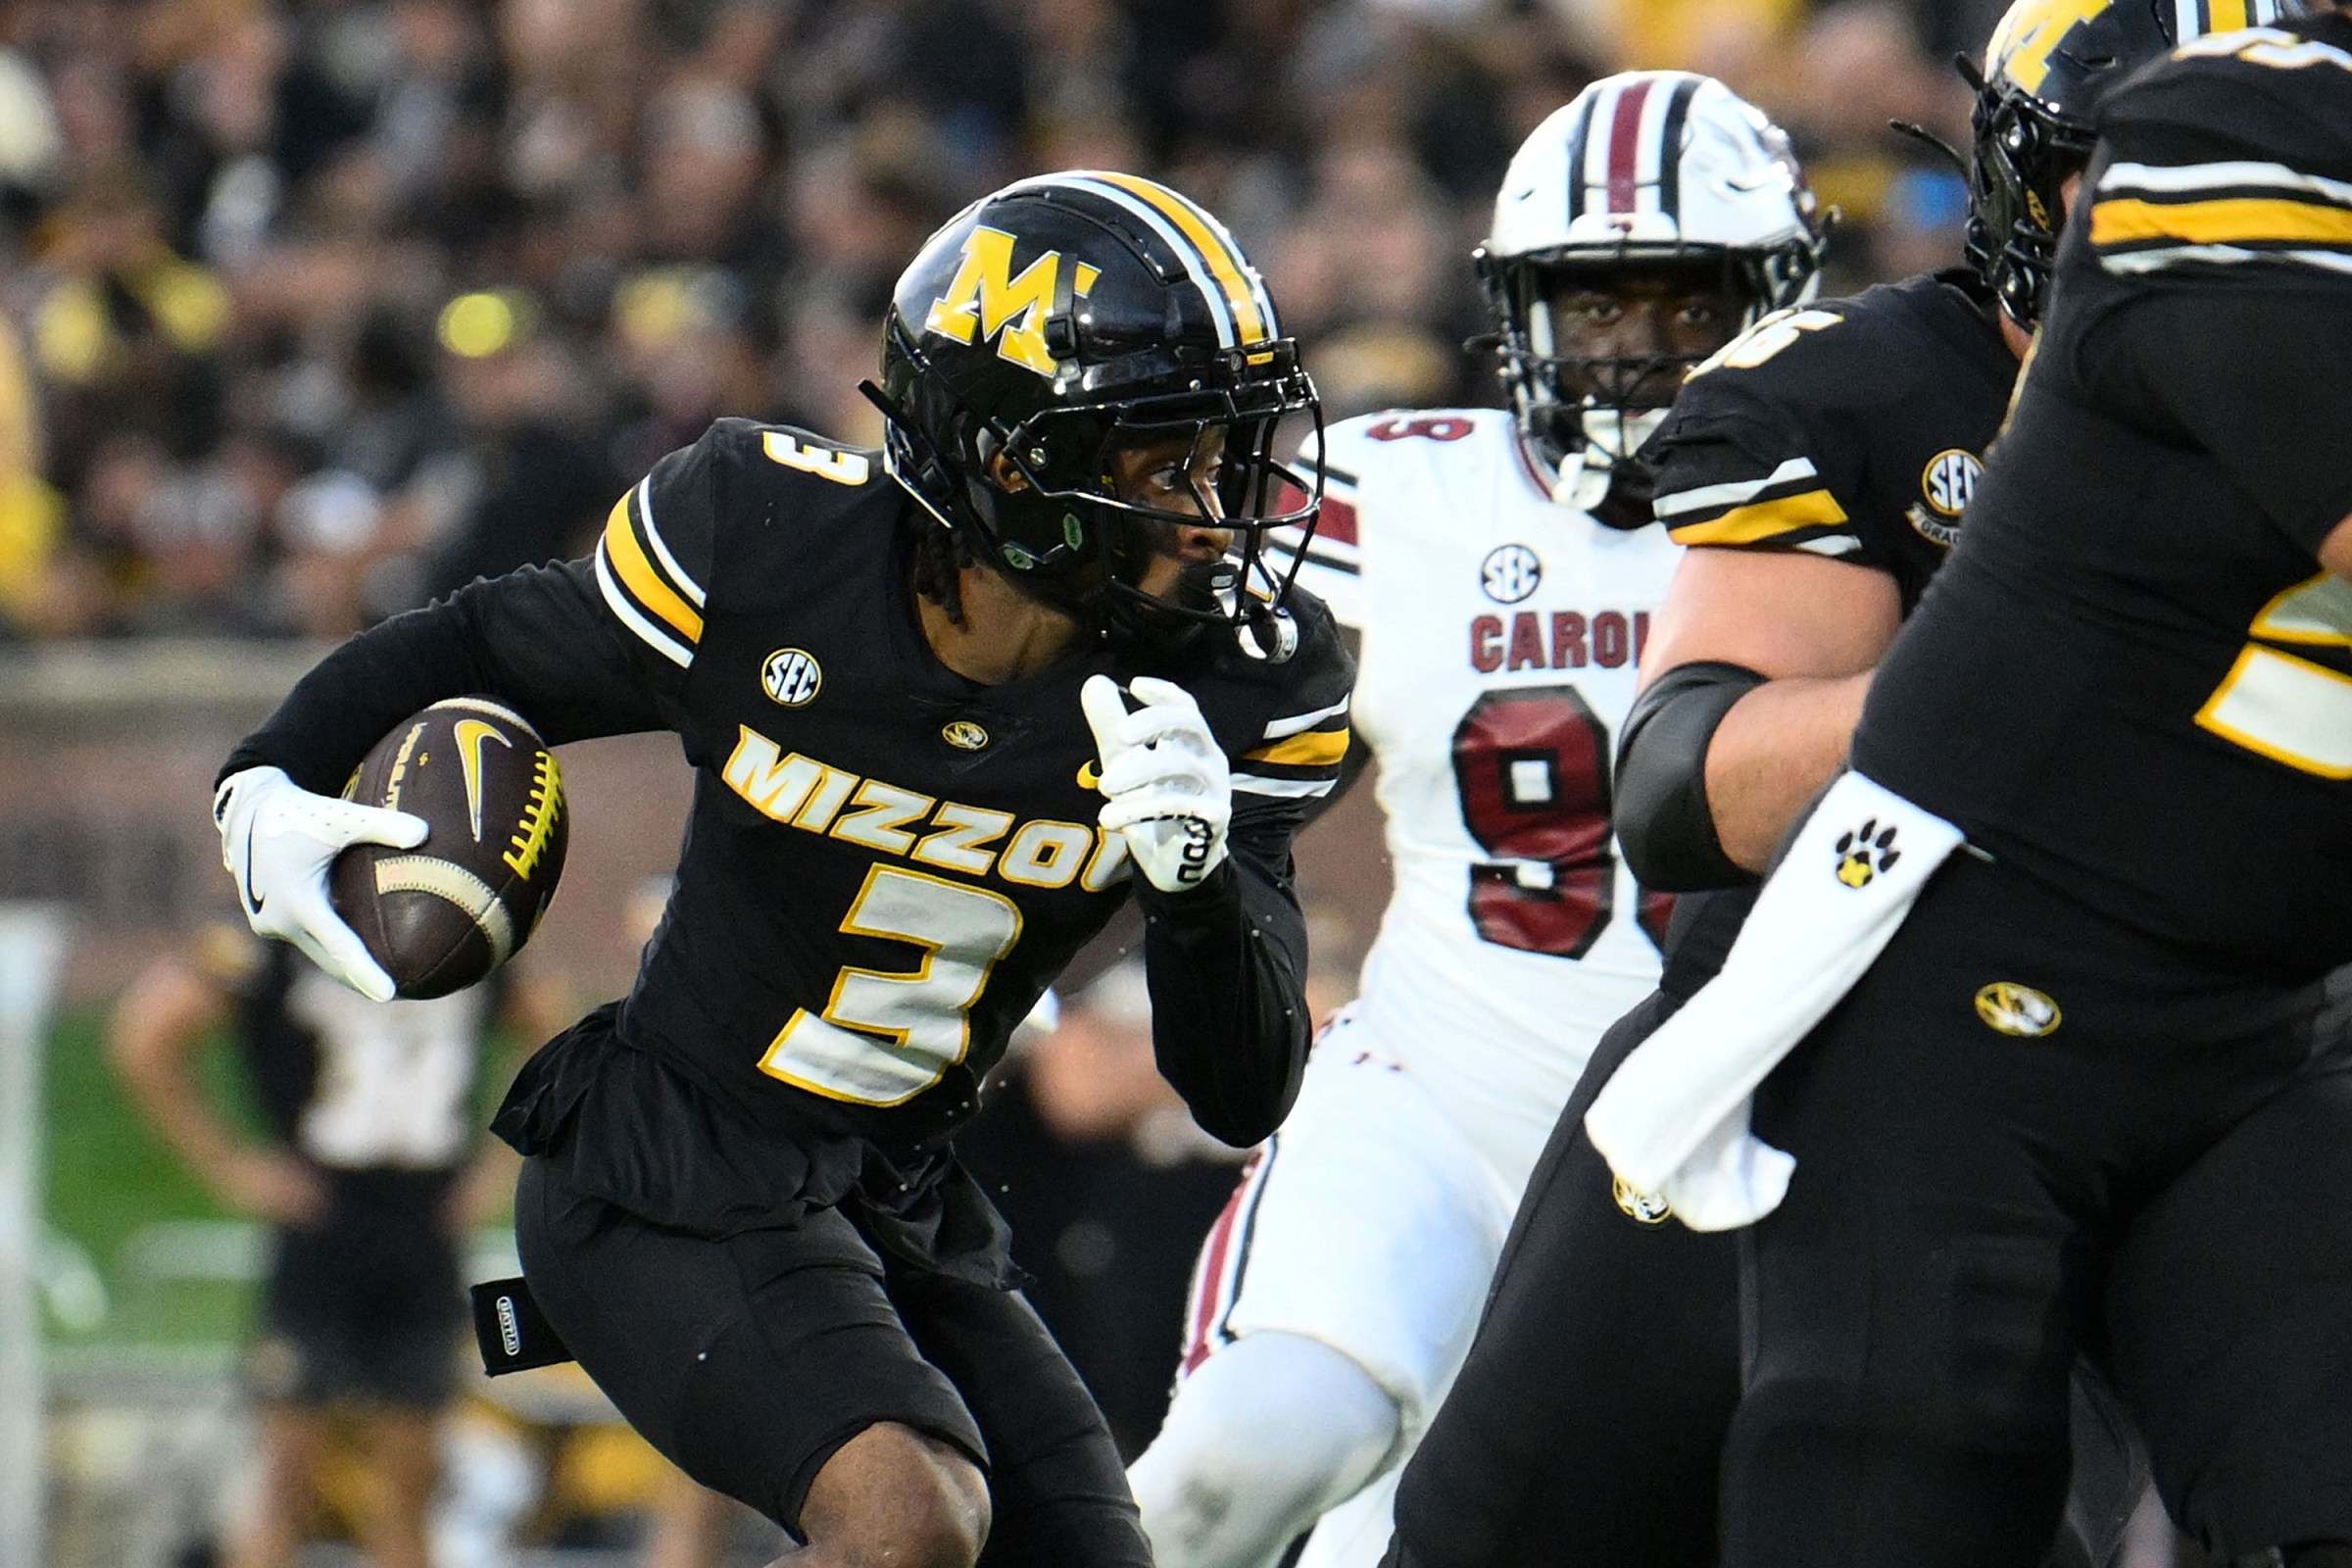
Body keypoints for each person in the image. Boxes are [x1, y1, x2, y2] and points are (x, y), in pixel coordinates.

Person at [208, 171, 1353, 1568]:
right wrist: (268, 774)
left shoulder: (1237, 682)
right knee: (905, 1515)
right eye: (1163, 460)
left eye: (1225, 455)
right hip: (666, 1172)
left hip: (896, 1204)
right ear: (1007, 461)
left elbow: (1241, 1086)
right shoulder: (778, 547)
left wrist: (1200, 886)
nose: (1216, 510)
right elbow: (486, 643)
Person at [1377, 3, 2287, 1565]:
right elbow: (1680, 793)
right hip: (1812, 1043)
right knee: (1502, 1531)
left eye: (2256, 184)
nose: (2183, 229)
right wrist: (2017, 668)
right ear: (2027, 181)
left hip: (2210, 1077)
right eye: (2135, 172)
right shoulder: (1868, 396)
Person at [1125, 72, 1826, 1568]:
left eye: (1685, 305)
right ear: (1520, 312)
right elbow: (1121, 652)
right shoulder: (1404, 498)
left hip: (1741, 1154)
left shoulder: (1864, 519)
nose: (1637, 353)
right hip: (1443, 1103)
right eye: (1597, 306)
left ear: (1775, 300)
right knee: (1235, 1467)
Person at [108, 922, 554, 1568]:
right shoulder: (279, 931)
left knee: (412, 1483)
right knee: (286, 1477)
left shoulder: (459, 923)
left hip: (421, 1228)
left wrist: (498, 1163)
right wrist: (232, 1165)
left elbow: (548, 1020)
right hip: (323, 1226)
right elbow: (148, 1031)